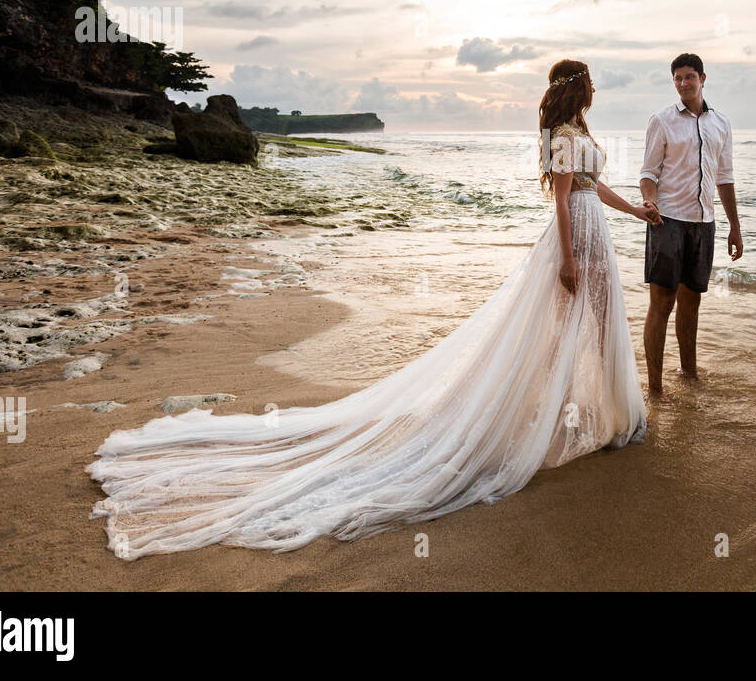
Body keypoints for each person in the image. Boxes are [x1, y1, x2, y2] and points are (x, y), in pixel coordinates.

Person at [87, 59, 660, 559]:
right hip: (574, 237)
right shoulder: (560, 135)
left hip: (599, 232)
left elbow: (593, 187)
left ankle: (608, 413)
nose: (594, 92)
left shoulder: (580, 132)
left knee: (602, 322)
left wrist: (636, 210)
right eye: (590, 84)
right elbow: (562, 197)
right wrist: (566, 256)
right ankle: (551, 417)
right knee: (562, 328)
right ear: (576, 88)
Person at [638, 53, 742, 394]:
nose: (684, 83)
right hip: (667, 220)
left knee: (692, 302)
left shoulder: (721, 123)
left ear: (702, 78)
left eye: (689, 76)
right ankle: (655, 387)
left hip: (703, 223)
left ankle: (689, 374)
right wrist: (650, 201)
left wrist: (734, 226)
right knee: (662, 303)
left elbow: (724, 178)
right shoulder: (662, 120)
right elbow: (648, 174)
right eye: (678, 78)